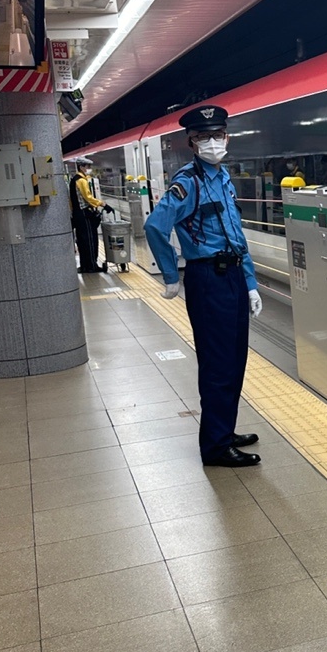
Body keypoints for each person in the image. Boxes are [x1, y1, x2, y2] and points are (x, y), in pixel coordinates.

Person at [144, 106, 263, 468]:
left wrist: (251, 283)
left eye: (218, 135)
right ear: (191, 143)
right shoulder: (189, 182)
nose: (213, 142)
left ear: (227, 137)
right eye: (203, 137)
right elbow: (155, 226)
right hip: (208, 278)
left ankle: (223, 429)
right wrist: (170, 275)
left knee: (235, 359)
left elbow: (236, 236)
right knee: (218, 363)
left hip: (232, 276)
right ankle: (215, 447)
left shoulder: (222, 178)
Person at [69, 159, 105, 273]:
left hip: (77, 214)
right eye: (87, 166)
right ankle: (92, 266)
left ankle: (84, 266)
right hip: (84, 214)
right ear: (81, 167)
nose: (89, 169)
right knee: (90, 240)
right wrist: (101, 203)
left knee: (82, 241)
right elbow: (88, 197)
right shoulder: (81, 181)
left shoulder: (73, 180)